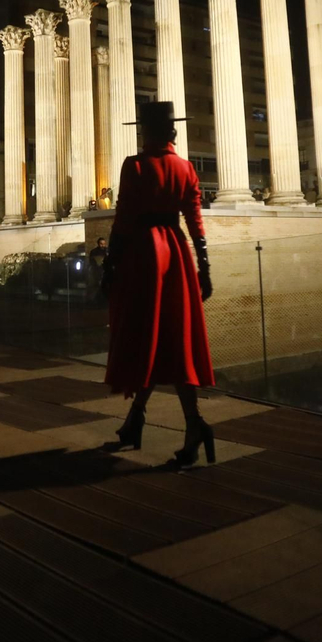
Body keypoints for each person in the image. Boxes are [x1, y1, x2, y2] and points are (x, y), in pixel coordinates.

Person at [101, 101, 217, 465]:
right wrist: (204, 266)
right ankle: (175, 423)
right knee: (174, 342)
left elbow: (122, 220)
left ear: (147, 132)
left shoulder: (134, 166)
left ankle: (139, 420)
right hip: (177, 256)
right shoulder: (185, 168)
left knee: (143, 338)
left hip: (143, 256)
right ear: (173, 133)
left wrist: (110, 264)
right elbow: (195, 220)